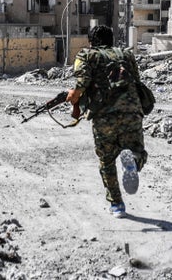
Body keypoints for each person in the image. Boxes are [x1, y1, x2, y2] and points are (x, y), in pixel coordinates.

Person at [66, 25, 148, 218]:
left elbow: (82, 82)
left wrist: (73, 97)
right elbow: (136, 81)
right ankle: (133, 163)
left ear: (91, 41)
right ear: (112, 40)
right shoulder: (126, 55)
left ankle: (117, 204)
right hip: (132, 110)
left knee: (107, 159)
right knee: (137, 149)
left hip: (104, 114)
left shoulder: (87, 55)